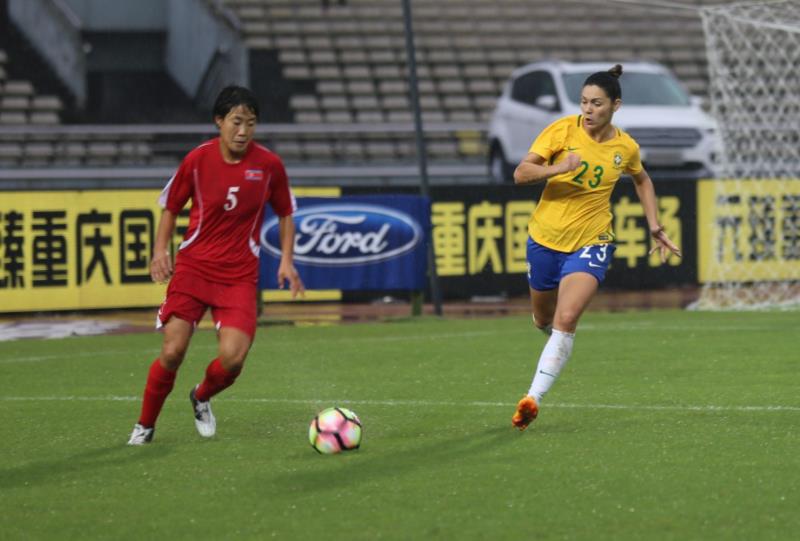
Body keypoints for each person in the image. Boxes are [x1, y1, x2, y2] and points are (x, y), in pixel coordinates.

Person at [127, 85, 304, 445]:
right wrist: (161, 250)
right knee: (173, 350)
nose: (243, 131)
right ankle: (145, 426)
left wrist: (287, 260)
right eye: (237, 122)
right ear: (219, 121)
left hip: (239, 275)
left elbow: (286, 212)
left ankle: (202, 395)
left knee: (233, 358)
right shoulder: (197, 159)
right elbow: (171, 206)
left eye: (250, 124)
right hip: (194, 269)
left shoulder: (269, 165)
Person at [510, 64, 681, 431]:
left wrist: (654, 225)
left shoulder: (625, 146)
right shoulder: (561, 130)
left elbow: (642, 179)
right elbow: (521, 173)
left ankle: (531, 399)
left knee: (567, 318)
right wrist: (558, 169)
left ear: (615, 106)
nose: (588, 110)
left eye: (597, 104)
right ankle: (555, 339)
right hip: (544, 239)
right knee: (544, 319)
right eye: (584, 102)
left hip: (593, 240)